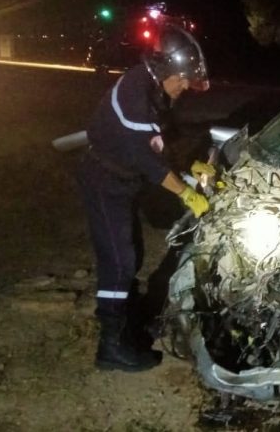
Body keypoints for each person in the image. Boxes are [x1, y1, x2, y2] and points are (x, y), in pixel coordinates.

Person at [77, 23, 213, 372]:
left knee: (130, 254)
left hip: (122, 181)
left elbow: (163, 142)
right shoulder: (135, 96)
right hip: (104, 180)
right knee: (119, 260)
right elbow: (148, 161)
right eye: (183, 79)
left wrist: (190, 166)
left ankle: (128, 325)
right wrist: (187, 193)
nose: (186, 86)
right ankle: (111, 346)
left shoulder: (154, 91)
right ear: (166, 70)